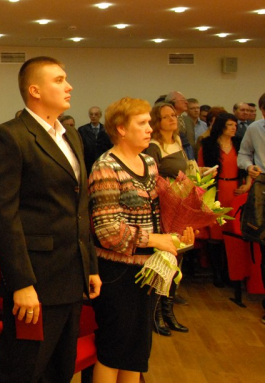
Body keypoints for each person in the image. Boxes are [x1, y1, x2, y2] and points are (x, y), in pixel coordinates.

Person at [0, 56, 100, 383]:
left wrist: (89, 265)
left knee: (60, 369)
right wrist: (21, 283)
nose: (69, 86)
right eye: (59, 80)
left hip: (71, 275)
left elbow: (79, 208)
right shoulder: (10, 136)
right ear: (35, 90)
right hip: (36, 279)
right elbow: (1, 215)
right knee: (23, 370)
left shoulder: (70, 135)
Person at [89, 97, 194, 383]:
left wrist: (178, 232)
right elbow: (107, 231)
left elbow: (158, 214)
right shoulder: (106, 167)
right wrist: (155, 240)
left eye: (149, 122)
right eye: (143, 123)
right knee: (114, 352)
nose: (150, 128)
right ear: (121, 129)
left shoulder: (148, 162)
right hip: (118, 273)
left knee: (136, 352)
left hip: (147, 269)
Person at [145, 102, 192, 335]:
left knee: (176, 262)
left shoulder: (178, 141)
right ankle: (156, 314)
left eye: (174, 115)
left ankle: (169, 312)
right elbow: (152, 180)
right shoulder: (154, 146)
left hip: (180, 208)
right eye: (166, 116)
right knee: (165, 262)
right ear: (157, 121)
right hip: (164, 209)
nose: (173, 119)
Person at [198, 112, 252, 292]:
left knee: (232, 234)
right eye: (230, 125)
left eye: (235, 125)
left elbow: (247, 165)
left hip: (235, 190)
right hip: (216, 191)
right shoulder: (208, 145)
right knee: (216, 235)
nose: (234, 128)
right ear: (221, 126)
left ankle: (230, 273)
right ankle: (217, 273)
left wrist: (247, 184)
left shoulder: (239, 143)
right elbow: (201, 170)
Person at [237, 92, 265, 325]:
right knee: (264, 244)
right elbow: (243, 154)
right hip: (263, 187)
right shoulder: (255, 129)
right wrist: (249, 167)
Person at [78, 106, 112, 171]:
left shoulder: (106, 129)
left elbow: (110, 146)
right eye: (91, 114)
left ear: (100, 115)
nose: (93, 116)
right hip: (87, 163)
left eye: (96, 114)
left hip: (104, 161)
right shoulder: (82, 130)